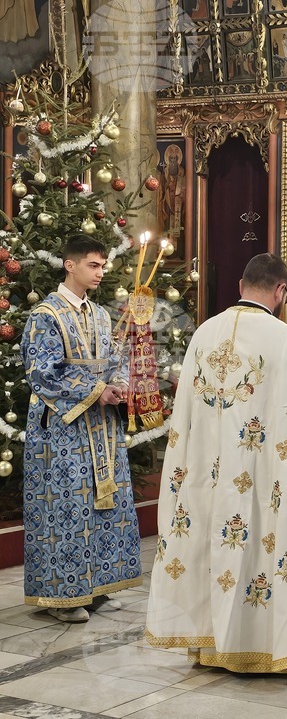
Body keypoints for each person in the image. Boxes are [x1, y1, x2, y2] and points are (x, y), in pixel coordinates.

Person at [146, 253, 287, 673]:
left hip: (207, 472)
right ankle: (267, 648)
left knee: (211, 545)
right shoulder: (285, 340)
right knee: (261, 546)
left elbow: (186, 414)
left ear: (240, 285)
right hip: (263, 474)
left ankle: (210, 645)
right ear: (281, 291)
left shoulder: (203, 334)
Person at [21, 235, 139, 623]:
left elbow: (115, 358)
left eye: (103, 266)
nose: (100, 272)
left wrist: (120, 384)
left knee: (102, 503)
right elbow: (42, 372)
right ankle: (65, 595)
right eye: (93, 265)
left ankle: (98, 585)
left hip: (102, 428)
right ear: (70, 265)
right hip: (61, 429)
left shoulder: (102, 315)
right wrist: (95, 390)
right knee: (67, 505)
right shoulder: (46, 315)